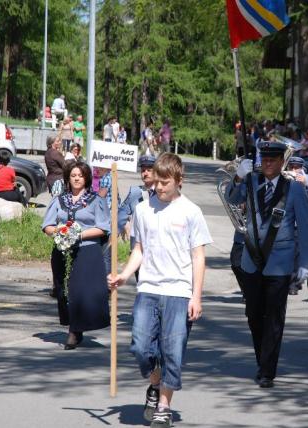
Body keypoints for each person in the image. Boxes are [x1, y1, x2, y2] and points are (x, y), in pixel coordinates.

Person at [108, 153, 212, 428]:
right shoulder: (143, 210)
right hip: (148, 287)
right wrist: (124, 275)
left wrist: (196, 296)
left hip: (179, 291)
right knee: (140, 347)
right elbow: (139, 250)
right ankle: (155, 382)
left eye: (165, 182)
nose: (159, 187)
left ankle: (164, 405)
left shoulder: (191, 212)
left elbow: (198, 257)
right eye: (156, 182)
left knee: (173, 350)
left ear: (179, 180)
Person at [225, 140, 308, 388]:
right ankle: (262, 358)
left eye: (272, 160)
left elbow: (305, 229)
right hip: (251, 259)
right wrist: (239, 178)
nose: (267, 164)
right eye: (264, 160)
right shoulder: (252, 182)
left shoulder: (294, 189)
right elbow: (232, 198)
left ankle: (267, 370)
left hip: (280, 261)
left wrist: (305, 262)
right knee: (254, 314)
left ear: (281, 162)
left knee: (274, 316)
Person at [42, 161, 110, 350]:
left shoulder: (96, 200)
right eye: (73, 175)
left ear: (86, 178)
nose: (77, 178)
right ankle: (75, 326)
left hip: (86, 249)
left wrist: (78, 235)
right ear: (68, 178)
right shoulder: (59, 200)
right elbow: (47, 225)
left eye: (80, 175)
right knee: (63, 290)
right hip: (62, 250)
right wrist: (59, 232)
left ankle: (74, 330)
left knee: (78, 290)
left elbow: (103, 227)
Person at [118, 155, 156, 280]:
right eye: (143, 170)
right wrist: (124, 224)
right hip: (138, 250)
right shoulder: (135, 192)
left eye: (149, 170)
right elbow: (121, 214)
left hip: (157, 251)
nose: (145, 173)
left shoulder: (163, 192)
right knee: (141, 285)